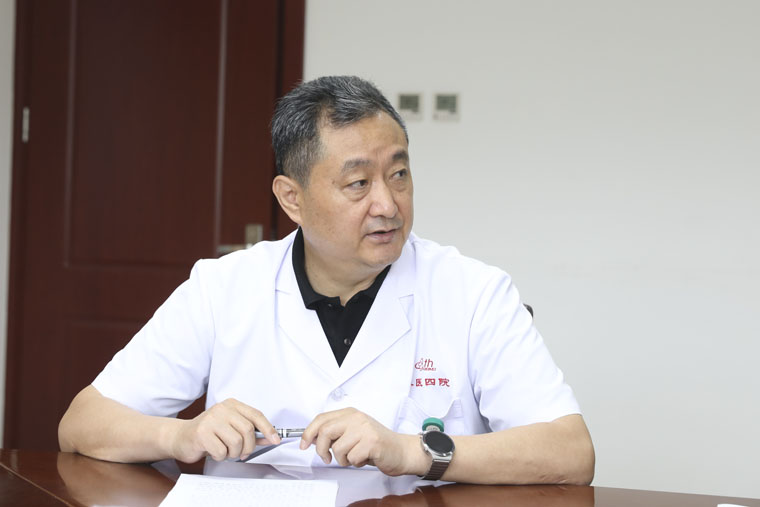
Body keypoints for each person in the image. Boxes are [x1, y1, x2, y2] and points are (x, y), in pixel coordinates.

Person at [58, 76, 595, 485]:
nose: (388, 204)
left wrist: (410, 451)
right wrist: (181, 434)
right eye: (358, 183)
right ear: (292, 199)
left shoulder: (474, 292)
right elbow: (82, 424)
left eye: (399, 174)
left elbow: (570, 452)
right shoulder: (223, 287)